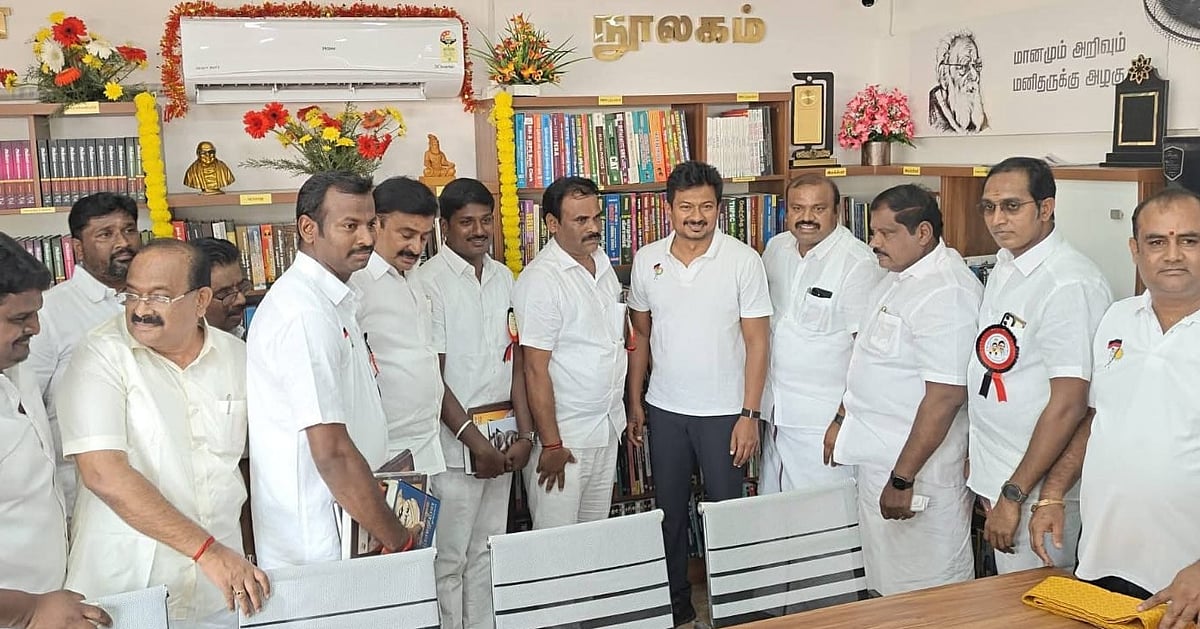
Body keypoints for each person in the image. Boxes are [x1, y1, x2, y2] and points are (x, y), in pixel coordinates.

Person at [58, 239, 268, 629]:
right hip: (127, 589)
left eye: (158, 297)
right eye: (132, 294)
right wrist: (206, 551)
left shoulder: (237, 358)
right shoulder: (101, 354)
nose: (141, 309)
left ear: (201, 300)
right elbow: (103, 473)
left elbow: (250, 466)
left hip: (219, 591)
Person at [1031, 188, 1200, 629]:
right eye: (1157, 241)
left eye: (1189, 240)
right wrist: (1053, 493)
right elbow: (1097, 418)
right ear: (1135, 250)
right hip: (1102, 561)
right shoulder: (1117, 318)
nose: (1173, 255)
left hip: (1187, 583)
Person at [627, 160, 773, 626]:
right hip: (665, 410)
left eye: (706, 207)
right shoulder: (647, 259)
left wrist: (749, 414)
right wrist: (634, 401)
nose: (696, 216)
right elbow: (640, 335)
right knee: (668, 515)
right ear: (669, 208)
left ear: (719, 208)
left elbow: (758, 342)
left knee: (726, 516)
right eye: (686, 206)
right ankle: (677, 608)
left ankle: (734, 610)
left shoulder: (743, 260)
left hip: (726, 414)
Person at [247, 171, 417, 570]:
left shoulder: (335, 299)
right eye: (350, 226)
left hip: (352, 524)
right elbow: (332, 452)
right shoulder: (304, 313)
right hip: (321, 540)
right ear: (309, 229)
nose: (367, 238)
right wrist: (397, 537)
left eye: (371, 224)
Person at [825, 184, 982, 596]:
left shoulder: (947, 292)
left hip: (919, 475)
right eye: (872, 232)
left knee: (928, 597)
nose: (874, 243)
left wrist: (902, 478)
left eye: (886, 233)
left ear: (923, 233)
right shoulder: (896, 278)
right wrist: (841, 419)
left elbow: (946, 396)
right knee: (885, 589)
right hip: (880, 463)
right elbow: (868, 363)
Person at [967, 158, 1112, 574]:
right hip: (1000, 468)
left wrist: (1015, 493)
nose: (997, 219)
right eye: (989, 207)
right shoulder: (1006, 264)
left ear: (1046, 208)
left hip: (1036, 486)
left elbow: (1070, 405)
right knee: (1005, 597)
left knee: (1036, 598)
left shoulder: (1068, 283)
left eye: (1012, 206)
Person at [415, 178, 534, 628]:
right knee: (450, 560)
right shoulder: (429, 283)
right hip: (453, 446)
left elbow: (516, 362)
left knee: (486, 550)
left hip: (500, 442)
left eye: (486, 220)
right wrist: (474, 443)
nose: (479, 230)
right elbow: (433, 379)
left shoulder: (505, 278)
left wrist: (525, 435)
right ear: (445, 227)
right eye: (467, 222)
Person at [0, 232, 113, 629]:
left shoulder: (16, 370)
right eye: (19, 319)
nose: (36, 328)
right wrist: (29, 611)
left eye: (36, 313)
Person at [511, 176, 627, 531]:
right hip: (566, 439)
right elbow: (534, 369)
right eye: (581, 220)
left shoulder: (601, 263)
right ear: (552, 223)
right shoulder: (542, 280)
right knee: (556, 549)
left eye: (596, 218)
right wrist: (551, 444)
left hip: (606, 428)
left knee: (593, 542)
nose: (594, 228)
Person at [760, 173, 885, 493]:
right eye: (797, 208)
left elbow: (867, 355)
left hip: (823, 422)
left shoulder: (857, 263)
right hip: (776, 413)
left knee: (822, 516)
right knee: (773, 512)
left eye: (818, 209)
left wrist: (843, 419)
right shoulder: (776, 248)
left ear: (837, 211)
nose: (807, 217)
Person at [26, 191, 142, 519]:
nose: (123, 242)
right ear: (77, 248)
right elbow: (28, 408)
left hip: (153, 486)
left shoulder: (156, 301)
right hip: (81, 495)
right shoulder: (49, 312)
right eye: (105, 234)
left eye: (129, 230)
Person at [349, 176, 445, 474]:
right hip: (384, 448)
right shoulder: (357, 282)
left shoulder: (414, 275)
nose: (416, 248)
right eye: (407, 234)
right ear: (376, 224)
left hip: (427, 439)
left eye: (424, 237)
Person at [929, 31, 988, 134]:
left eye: (976, 66)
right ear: (944, 75)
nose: (975, 76)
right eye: (964, 66)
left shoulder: (981, 121)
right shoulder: (936, 124)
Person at [194, 238, 250, 338]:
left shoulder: (248, 338)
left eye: (241, 287)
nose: (241, 300)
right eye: (225, 294)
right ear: (198, 300)